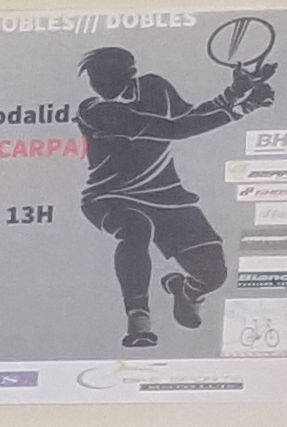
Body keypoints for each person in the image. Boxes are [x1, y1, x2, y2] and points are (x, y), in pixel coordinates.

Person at [73, 43, 274, 348]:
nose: (100, 87)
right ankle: (138, 317)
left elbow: (190, 115)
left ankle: (187, 290)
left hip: (167, 196)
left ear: (130, 74)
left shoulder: (156, 87)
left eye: (106, 80)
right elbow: (175, 129)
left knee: (214, 275)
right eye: (95, 81)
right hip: (109, 196)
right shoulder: (94, 110)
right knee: (136, 228)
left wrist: (234, 92)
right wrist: (244, 106)